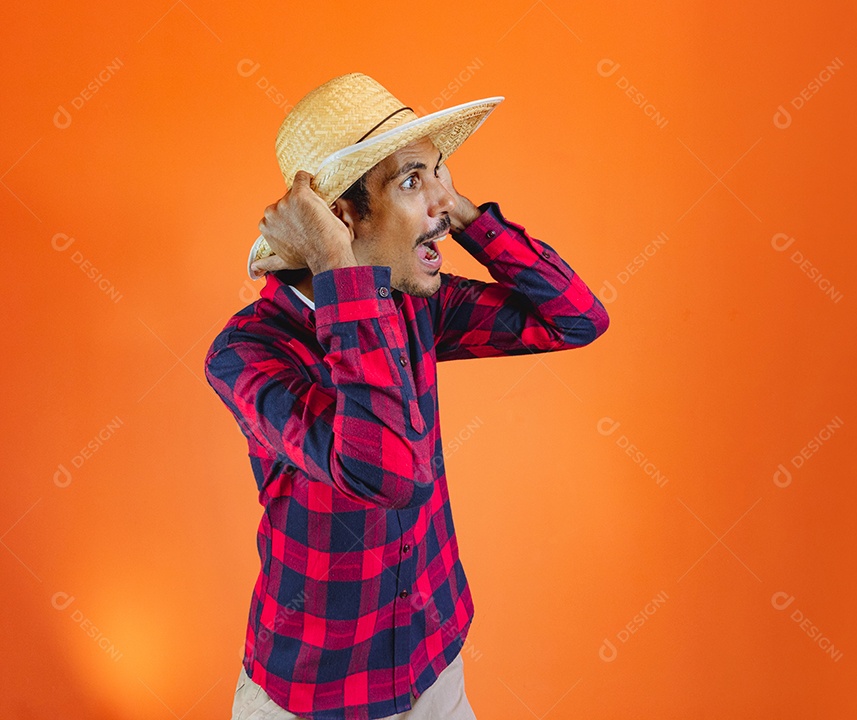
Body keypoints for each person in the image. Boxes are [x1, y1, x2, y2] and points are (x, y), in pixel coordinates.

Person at [204, 72, 610, 720]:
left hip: (434, 659)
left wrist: (472, 218)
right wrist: (341, 271)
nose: (440, 207)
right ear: (338, 218)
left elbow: (575, 318)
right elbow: (383, 471)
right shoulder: (248, 354)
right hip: (317, 695)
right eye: (412, 182)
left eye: (440, 175)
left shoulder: (416, 306)